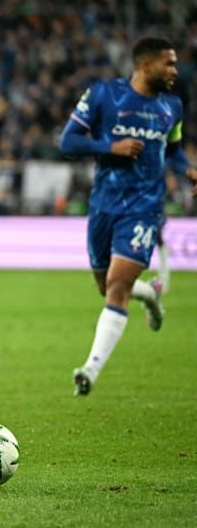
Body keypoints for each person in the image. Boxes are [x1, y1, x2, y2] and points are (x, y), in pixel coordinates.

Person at [59, 37, 197, 396]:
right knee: (106, 286)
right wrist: (110, 147)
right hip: (104, 205)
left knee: (117, 288)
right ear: (145, 65)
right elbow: (68, 142)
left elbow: (175, 151)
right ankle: (150, 295)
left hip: (145, 208)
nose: (174, 71)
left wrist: (189, 169)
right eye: (168, 63)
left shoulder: (172, 107)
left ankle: (89, 370)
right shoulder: (105, 95)